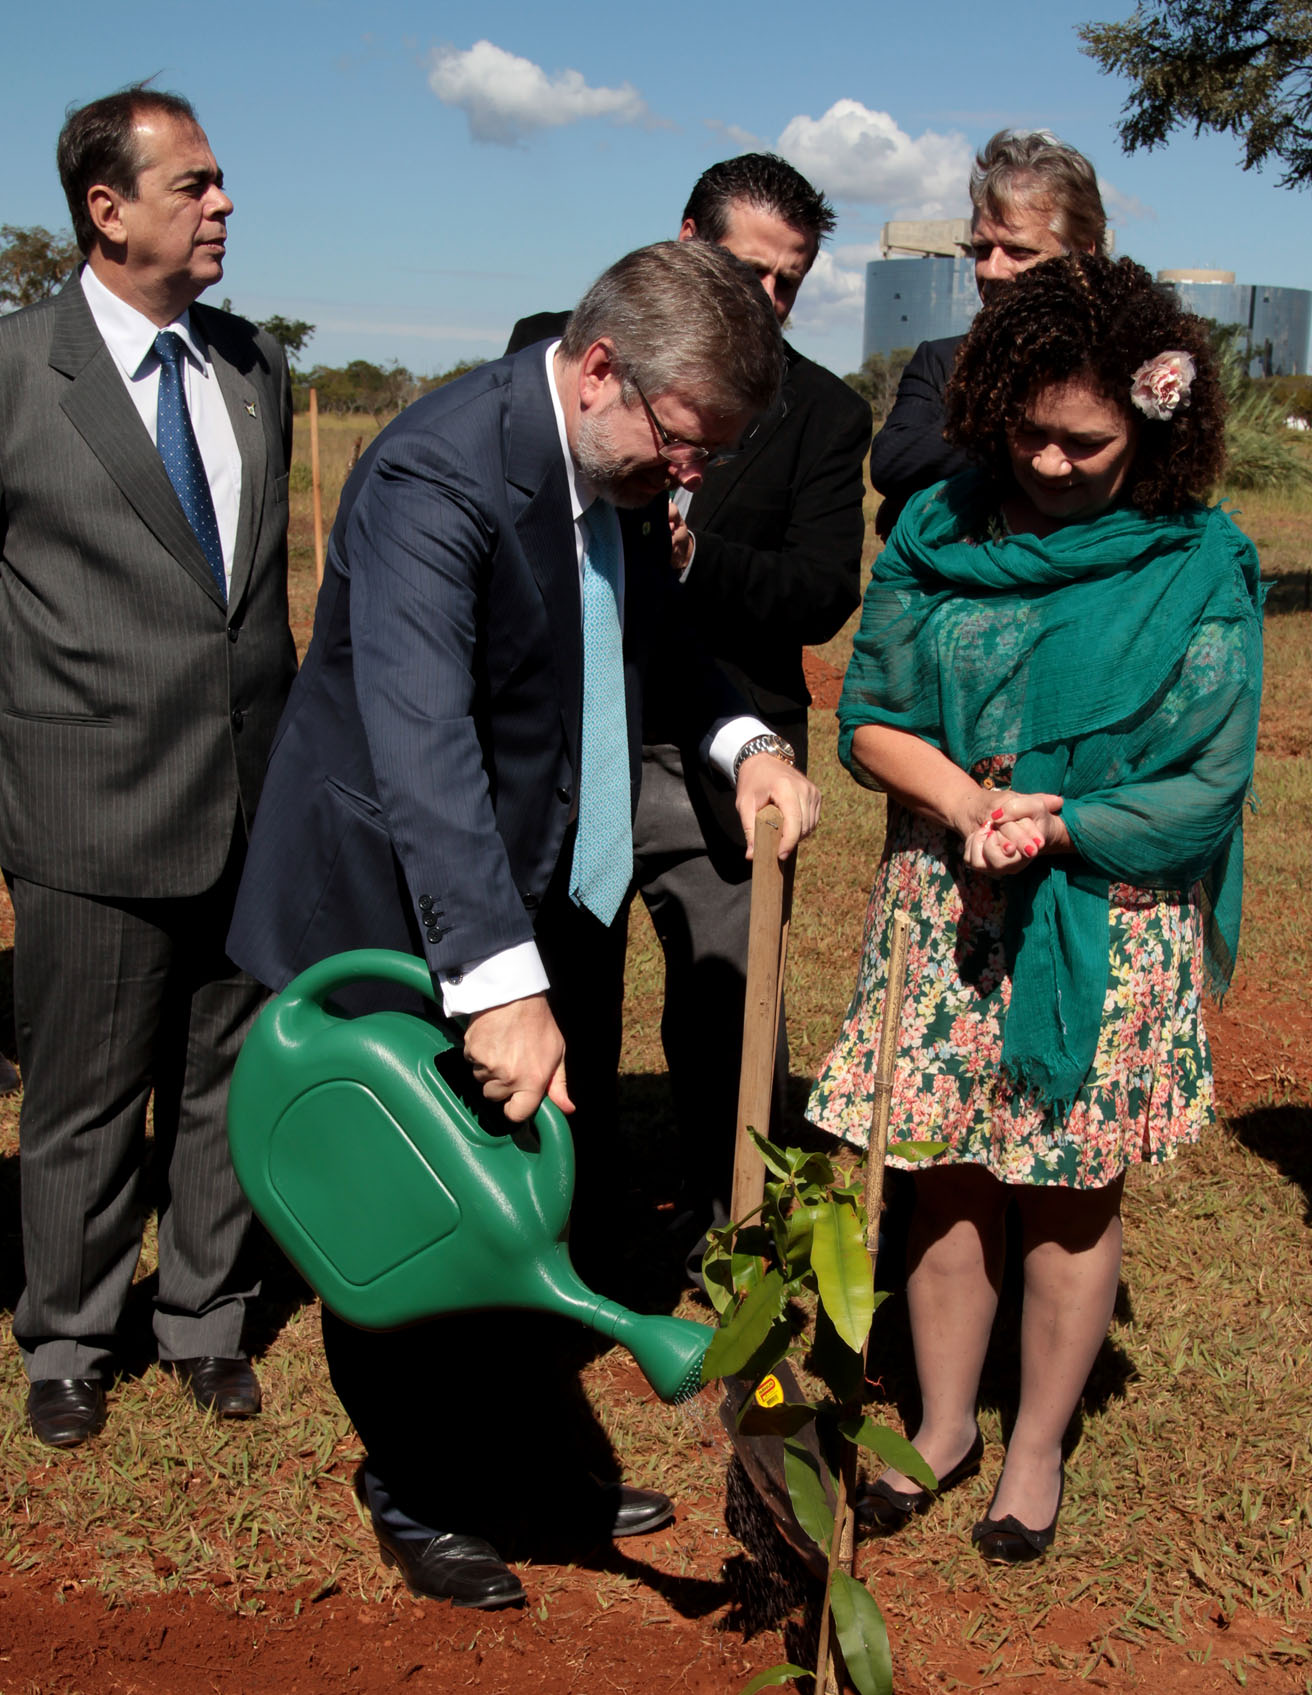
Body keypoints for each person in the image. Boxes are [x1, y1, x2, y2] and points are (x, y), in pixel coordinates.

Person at [228, 240, 822, 1610]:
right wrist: (497, 982)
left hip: (546, 877)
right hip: (397, 897)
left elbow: (654, 635)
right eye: (685, 442)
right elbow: (422, 742)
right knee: (414, 1194)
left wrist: (740, 740)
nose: (694, 476)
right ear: (604, 368)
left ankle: (514, 1450)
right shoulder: (437, 471)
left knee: (533, 1184)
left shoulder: (611, 464)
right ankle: (415, 1481)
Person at [808, 254, 1261, 1563]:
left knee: (1068, 1187)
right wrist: (965, 805)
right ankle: (944, 1422)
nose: (1054, 464)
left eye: (1089, 442)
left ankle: (1034, 1443)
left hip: (1103, 914)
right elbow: (872, 715)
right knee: (945, 1167)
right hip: (944, 896)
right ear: (990, 409)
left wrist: (1051, 819)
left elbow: (1207, 778)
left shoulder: (1200, 564)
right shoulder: (938, 533)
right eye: (1031, 434)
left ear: (1153, 429)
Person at [507, 156, 870, 1277]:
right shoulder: (560, 350)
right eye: (745, 270)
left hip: (730, 748)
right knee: (567, 988)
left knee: (725, 1008)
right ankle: (567, 1220)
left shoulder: (823, 410)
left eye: (789, 283)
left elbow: (819, 589)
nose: (766, 301)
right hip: (583, 738)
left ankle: (736, 1223)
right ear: (683, 238)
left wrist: (694, 561)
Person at [0, 86, 296, 1448]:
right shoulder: (17, 374)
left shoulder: (251, 369)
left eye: (225, 180)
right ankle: (66, 1330)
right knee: (82, 1093)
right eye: (194, 184)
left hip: (247, 798)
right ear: (105, 209)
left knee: (225, 1075)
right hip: (86, 807)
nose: (223, 202)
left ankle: (204, 1314)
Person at [869, 129, 1107, 541]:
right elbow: (892, 463)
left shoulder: (1126, 363)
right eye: (981, 250)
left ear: (1082, 253)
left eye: (1018, 251)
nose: (992, 270)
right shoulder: (943, 360)